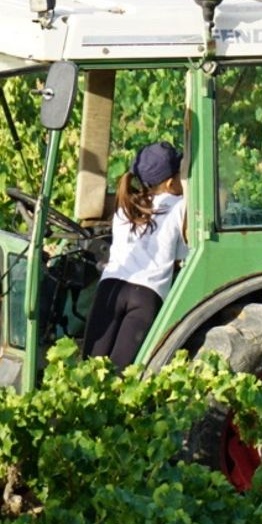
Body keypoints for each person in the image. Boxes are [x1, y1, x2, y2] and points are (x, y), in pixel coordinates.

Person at [83, 140, 189, 368]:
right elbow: (182, 255)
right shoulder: (180, 208)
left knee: (90, 368)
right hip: (146, 296)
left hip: (110, 288)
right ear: (172, 182)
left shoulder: (125, 207)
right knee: (122, 374)